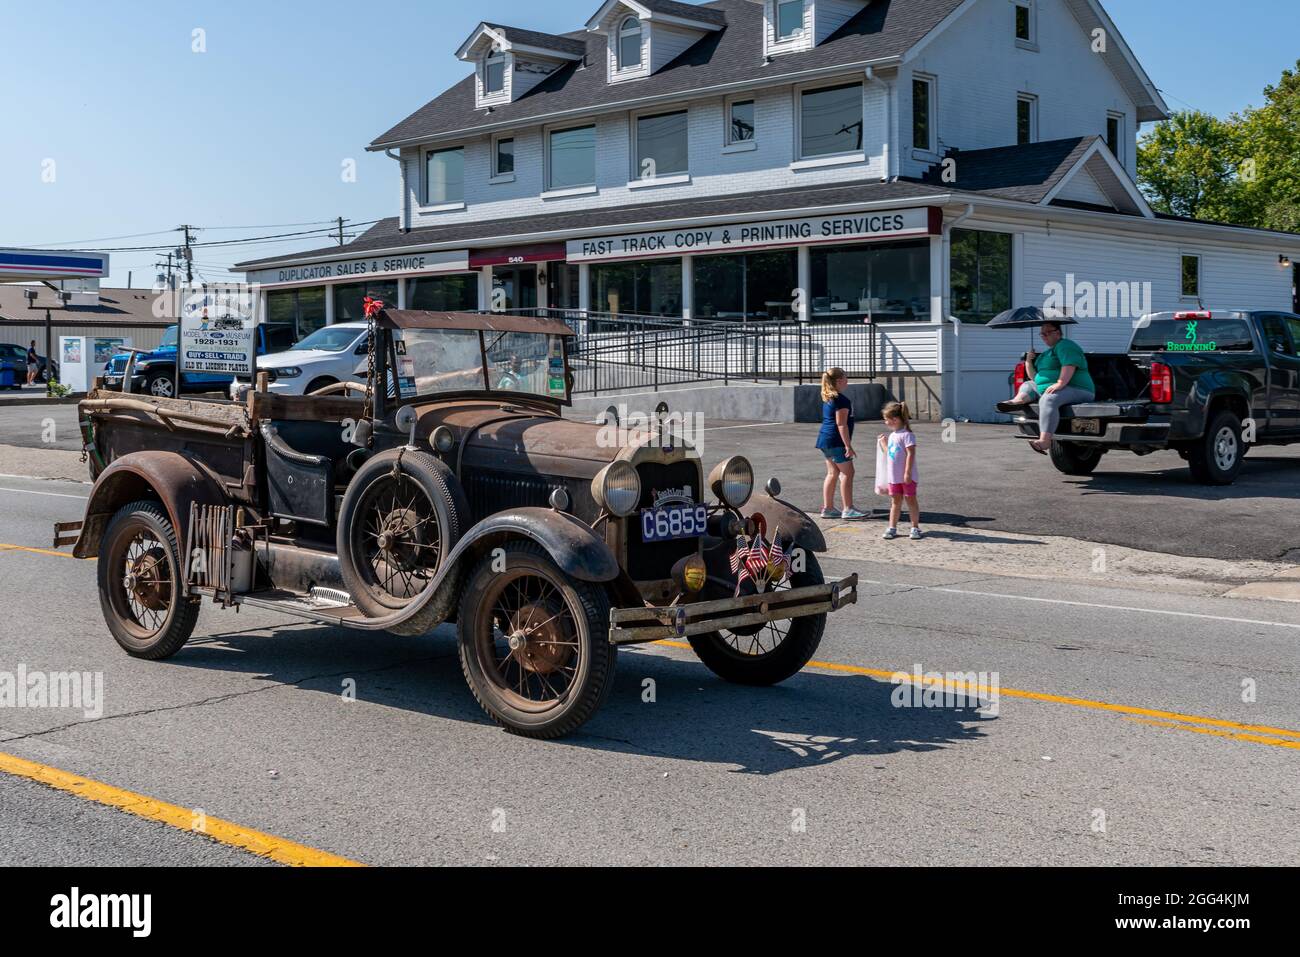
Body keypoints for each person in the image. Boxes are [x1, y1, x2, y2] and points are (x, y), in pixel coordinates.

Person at [997, 321, 1096, 454]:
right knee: (1028, 385)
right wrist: (1028, 361)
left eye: (1048, 333)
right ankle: (1017, 402)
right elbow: (1034, 377)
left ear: (1058, 333)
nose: (1044, 336)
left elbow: (1069, 364)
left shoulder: (1066, 345)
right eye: (1042, 334)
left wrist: (1061, 383)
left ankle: (1044, 441)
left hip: (1077, 388)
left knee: (1048, 399)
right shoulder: (1046, 354)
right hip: (1052, 387)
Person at [816, 367, 867, 520]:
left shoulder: (829, 398)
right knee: (848, 473)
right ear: (838, 381)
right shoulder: (841, 400)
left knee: (833, 473)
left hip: (825, 440)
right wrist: (848, 446)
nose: (847, 380)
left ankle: (828, 508)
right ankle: (848, 509)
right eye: (845, 377)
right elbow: (841, 424)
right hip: (836, 441)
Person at [878, 401, 922, 540]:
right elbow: (890, 453)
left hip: (906, 476)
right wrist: (884, 443)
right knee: (895, 502)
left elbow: (910, 454)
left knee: (911, 500)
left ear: (895, 419)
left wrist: (907, 472)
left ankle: (915, 527)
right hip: (894, 477)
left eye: (886, 419)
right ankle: (892, 527)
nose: (885, 422)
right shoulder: (892, 435)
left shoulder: (907, 435)